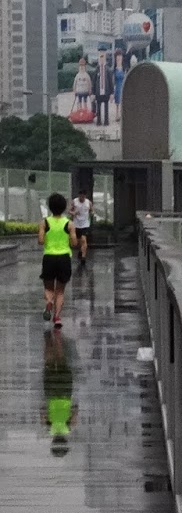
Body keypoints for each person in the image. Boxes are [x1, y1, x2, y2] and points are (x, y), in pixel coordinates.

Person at [38, 192, 78, 329]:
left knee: (48, 287)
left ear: (50, 207)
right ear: (63, 207)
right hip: (64, 258)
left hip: (49, 257)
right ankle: (57, 317)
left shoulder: (44, 222)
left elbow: (40, 241)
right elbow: (74, 243)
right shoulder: (69, 223)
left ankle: (49, 301)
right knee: (60, 291)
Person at [43, 329, 76, 456]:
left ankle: (57, 335)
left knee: (61, 360)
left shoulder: (68, 428)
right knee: (49, 363)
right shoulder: (49, 429)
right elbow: (43, 413)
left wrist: (73, 408)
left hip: (65, 392)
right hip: (51, 392)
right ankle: (47, 339)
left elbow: (74, 414)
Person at [71, 189, 92, 271]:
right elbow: (70, 210)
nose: (82, 198)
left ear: (85, 196)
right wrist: (73, 213)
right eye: (80, 196)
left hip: (85, 224)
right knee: (79, 241)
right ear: (79, 195)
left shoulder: (88, 203)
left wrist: (91, 214)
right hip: (76, 224)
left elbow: (92, 210)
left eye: (83, 196)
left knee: (84, 240)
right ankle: (81, 251)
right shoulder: (75, 202)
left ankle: (83, 257)